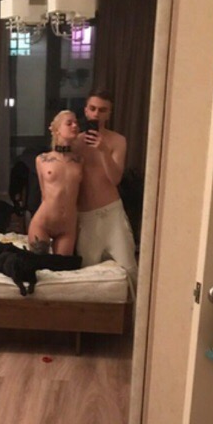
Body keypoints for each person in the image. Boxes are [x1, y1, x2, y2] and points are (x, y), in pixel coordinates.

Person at [76, 89, 138, 294]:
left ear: (109, 114)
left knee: (130, 271)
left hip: (112, 214)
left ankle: (134, 315)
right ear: (86, 110)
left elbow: (115, 179)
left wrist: (103, 151)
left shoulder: (118, 141)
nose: (96, 114)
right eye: (92, 108)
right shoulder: (75, 142)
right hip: (86, 218)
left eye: (102, 110)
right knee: (86, 276)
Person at [27, 110, 82, 256]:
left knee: (61, 268)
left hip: (67, 227)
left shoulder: (80, 161)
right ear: (57, 130)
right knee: (39, 266)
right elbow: (43, 193)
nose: (75, 126)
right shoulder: (42, 159)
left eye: (76, 123)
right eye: (69, 123)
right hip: (43, 223)